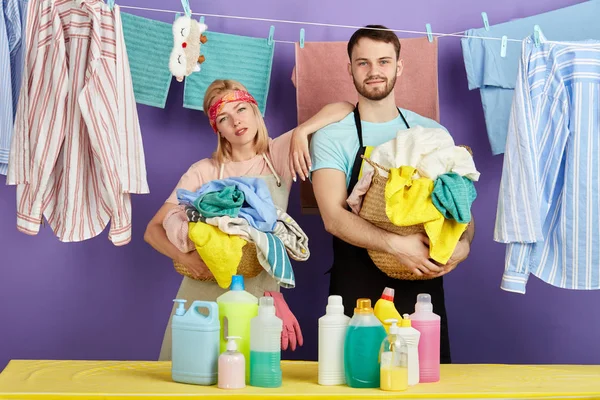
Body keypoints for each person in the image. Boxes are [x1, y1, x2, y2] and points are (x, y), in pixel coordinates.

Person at [144, 79, 351, 361]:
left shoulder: (277, 156)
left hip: (259, 297)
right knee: (188, 377)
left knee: (247, 377)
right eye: (224, 119)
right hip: (203, 296)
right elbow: (153, 230)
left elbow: (345, 108)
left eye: (241, 109)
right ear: (217, 129)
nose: (236, 122)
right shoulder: (205, 170)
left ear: (255, 110)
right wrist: (189, 260)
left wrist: (303, 131)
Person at [305, 25, 476, 363]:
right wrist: (395, 245)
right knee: (357, 381)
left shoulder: (431, 133)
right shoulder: (331, 137)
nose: (374, 72)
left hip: (422, 285)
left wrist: (464, 246)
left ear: (399, 66)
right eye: (363, 63)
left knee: (423, 380)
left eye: (383, 61)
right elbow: (333, 217)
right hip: (357, 287)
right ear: (350, 68)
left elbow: (460, 206)